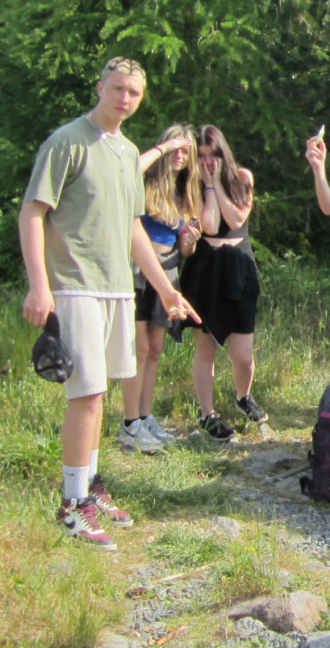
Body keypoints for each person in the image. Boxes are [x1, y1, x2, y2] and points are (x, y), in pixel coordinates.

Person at [19, 57, 198, 550]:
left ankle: (91, 485)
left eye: (134, 93)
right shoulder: (67, 141)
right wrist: (39, 286)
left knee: (101, 394)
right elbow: (32, 212)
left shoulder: (128, 151)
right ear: (100, 87)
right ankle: (72, 504)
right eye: (117, 89)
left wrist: (165, 288)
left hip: (119, 286)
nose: (125, 99)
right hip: (74, 284)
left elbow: (133, 226)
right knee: (87, 393)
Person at [178, 126, 266, 441]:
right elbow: (211, 224)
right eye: (201, 156)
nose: (207, 161)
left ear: (222, 153)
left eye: (212, 154)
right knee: (205, 347)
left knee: (242, 353)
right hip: (205, 268)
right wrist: (207, 186)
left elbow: (237, 219)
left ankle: (244, 396)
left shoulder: (242, 177)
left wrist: (217, 183)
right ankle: (207, 413)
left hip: (238, 267)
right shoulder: (192, 184)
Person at [119, 125, 201, 453]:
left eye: (185, 151)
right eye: (175, 149)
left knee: (154, 350)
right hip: (138, 271)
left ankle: (145, 416)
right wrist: (164, 149)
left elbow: (185, 251)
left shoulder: (186, 192)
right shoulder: (144, 181)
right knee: (138, 349)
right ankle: (130, 424)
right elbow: (129, 169)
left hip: (167, 272)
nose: (180, 156)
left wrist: (189, 242)